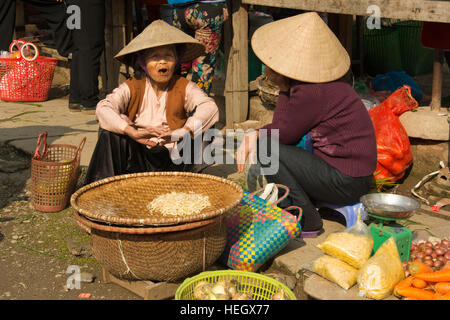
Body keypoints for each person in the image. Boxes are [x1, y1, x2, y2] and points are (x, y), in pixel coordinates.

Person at [237, 12, 378, 236]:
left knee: (267, 149)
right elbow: (283, 126)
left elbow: (284, 135)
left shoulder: (311, 91)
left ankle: (305, 218)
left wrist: (255, 133)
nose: (266, 69)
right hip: (351, 176)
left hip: (347, 182)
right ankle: (303, 205)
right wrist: (285, 85)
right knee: (272, 145)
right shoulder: (315, 84)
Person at [84, 20, 219, 185]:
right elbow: (103, 108)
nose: (162, 62)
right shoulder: (132, 86)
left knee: (204, 129)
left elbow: (210, 108)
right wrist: (130, 131)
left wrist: (183, 131)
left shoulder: (184, 87)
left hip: (174, 159)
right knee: (109, 132)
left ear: (176, 61)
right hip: (139, 157)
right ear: (144, 62)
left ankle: (190, 184)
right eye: (155, 57)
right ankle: (105, 189)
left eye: (168, 56)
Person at [167, 0, 228, 95]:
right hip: (208, 10)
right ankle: (196, 107)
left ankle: (173, 105)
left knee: (179, 65)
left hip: (178, 11)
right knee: (203, 70)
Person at [67, 0, 105, 114]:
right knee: (91, 46)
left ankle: (76, 98)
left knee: (78, 47)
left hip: (73, 4)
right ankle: (89, 99)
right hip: (88, 4)